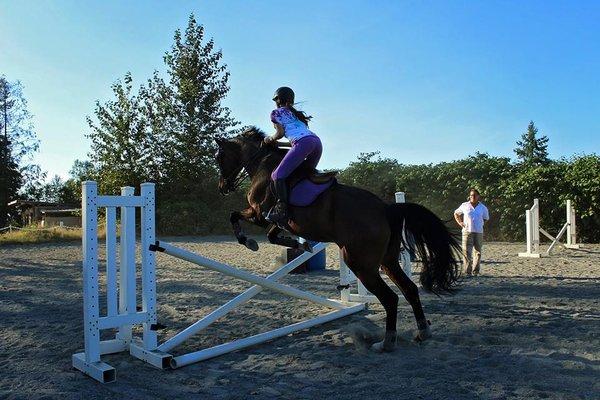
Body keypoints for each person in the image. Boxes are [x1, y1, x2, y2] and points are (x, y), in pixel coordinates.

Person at [263, 87, 322, 224]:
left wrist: (269, 139)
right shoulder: (296, 114)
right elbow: (298, 142)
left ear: (277, 100)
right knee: (302, 177)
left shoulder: (276, 113)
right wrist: (280, 145)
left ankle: (281, 211)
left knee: (276, 176)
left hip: (303, 143)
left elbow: (279, 134)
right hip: (316, 143)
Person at [454, 188, 489, 276]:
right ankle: (467, 271)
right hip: (467, 231)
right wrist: (460, 223)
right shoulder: (465, 205)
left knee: (478, 252)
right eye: (471, 195)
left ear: (478, 196)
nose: (472, 197)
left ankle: (476, 271)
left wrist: (480, 224)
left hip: (478, 232)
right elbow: (456, 213)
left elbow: (486, 218)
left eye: (474, 195)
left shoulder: (483, 207)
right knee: (466, 252)